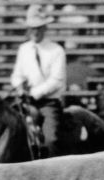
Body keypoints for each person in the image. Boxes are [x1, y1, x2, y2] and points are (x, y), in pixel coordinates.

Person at [10, 4, 67, 157]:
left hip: (48, 103)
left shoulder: (56, 50)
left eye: (38, 28)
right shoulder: (24, 49)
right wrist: (19, 86)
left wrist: (34, 93)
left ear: (45, 28)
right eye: (31, 28)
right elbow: (16, 75)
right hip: (26, 103)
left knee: (51, 140)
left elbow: (57, 80)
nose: (34, 31)